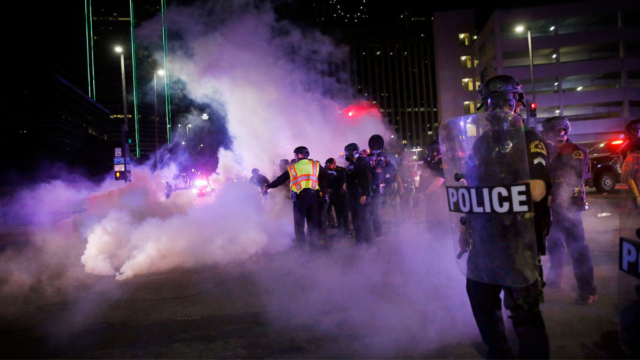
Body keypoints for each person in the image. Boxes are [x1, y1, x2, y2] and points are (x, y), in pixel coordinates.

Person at [455, 75, 551, 359]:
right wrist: (464, 227)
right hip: (485, 236)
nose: (497, 110)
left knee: (524, 311)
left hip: (519, 238)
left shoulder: (530, 139)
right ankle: (498, 352)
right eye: (491, 104)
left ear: (518, 105)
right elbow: (472, 188)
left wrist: (499, 191)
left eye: (504, 103)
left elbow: (537, 190)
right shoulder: (481, 144)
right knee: (480, 296)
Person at [541, 116, 597, 304]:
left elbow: (573, 178)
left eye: (558, 131)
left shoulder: (575, 152)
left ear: (565, 131)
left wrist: (551, 192)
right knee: (554, 244)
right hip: (551, 207)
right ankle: (555, 279)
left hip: (569, 207)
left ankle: (588, 291)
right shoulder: (547, 151)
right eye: (550, 132)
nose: (554, 136)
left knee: (577, 248)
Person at [264, 146, 329, 248]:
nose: (295, 156)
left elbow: (280, 180)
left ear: (300, 155)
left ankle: (302, 251)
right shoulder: (316, 165)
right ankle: (314, 249)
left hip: (300, 199)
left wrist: (268, 186)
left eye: (295, 154)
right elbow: (328, 177)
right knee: (312, 224)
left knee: (299, 226)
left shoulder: (293, 167)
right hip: (313, 198)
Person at [345, 143, 373, 245]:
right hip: (353, 194)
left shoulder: (362, 162)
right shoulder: (353, 162)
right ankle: (359, 241)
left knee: (364, 218)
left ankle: (370, 242)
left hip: (361, 193)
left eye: (348, 152)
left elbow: (367, 179)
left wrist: (364, 194)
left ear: (354, 151)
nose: (346, 154)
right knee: (355, 218)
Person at [415, 141, 447, 229]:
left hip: (440, 200)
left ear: (435, 152)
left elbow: (439, 180)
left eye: (429, 151)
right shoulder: (433, 164)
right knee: (431, 223)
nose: (428, 154)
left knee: (438, 225)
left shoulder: (442, 163)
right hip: (432, 200)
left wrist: (425, 193)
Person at [325, 158, 350, 237]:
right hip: (334, 196)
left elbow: (343, 181)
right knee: (338, 214)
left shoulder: (340, 170)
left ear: (333, 164)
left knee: (345, 215)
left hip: (343, 196)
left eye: (329, 165)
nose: (328, 167)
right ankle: (340, 231)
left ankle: (347, 232)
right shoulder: (327, 170)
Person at [368, 153, 385, 238]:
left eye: (371, 160)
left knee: (376, 213)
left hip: (376, 193)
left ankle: (379, 232)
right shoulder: (371, 169)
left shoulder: (377, 169)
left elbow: (377, 181)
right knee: (372, 212)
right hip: (372, 193)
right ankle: (375, 230)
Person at [381, 154, 402, 219]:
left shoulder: (391, 166)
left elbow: (397, 176)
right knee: (380, 207)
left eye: (383, 158)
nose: (382, 159)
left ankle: (398, 223)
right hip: (381, 190)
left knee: (395, 206)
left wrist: (401, 187)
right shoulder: (378, 167)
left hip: (391, 189)